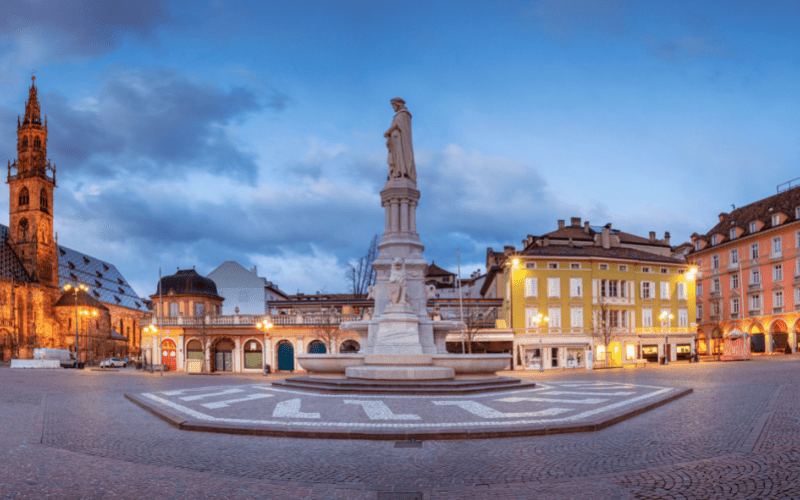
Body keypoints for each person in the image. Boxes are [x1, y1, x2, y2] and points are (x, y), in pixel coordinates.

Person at [384, 98, 416, 184]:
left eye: (393, 105)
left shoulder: (403, 114)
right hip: (394, 139)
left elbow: (397, 125)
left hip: (400, 141)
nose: (393, 108)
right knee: (395, 157)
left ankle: (401, 171)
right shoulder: (399, 115)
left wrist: (387, 132)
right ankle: (396, 172)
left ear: (397, 104)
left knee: (400, 155)